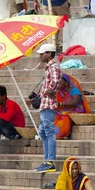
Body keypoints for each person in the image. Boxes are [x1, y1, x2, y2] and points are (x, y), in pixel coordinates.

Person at [34, 43, 63, 173]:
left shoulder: (53, 67)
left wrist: (49, 92)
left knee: (49, 132)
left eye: (43, 53)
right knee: (43, 132)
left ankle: (50, 161)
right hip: (45, 104)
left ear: (49, 54)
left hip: (48, 104)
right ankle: (46, 160)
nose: (41, 56)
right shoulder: (49, 67)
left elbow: (56, 82)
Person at [54, 73, 90, 140]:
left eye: (60, 81)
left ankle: (59, 133)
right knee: (52, 115)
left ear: (66, 82)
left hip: (75, 110)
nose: (58, 83)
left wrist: (61, 104)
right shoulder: (59, 91)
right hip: (63, 110)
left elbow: (75, 102)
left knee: (65, 117)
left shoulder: (74, 90)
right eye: (57, 82)